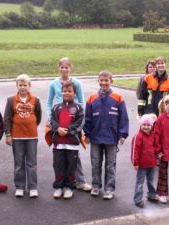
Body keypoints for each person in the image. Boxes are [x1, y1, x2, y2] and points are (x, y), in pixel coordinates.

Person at [46, 57, 92, 192]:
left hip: (73, 121)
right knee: (60, 155)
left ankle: (79, 181)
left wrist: (78, 118)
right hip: (58, 122)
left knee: (74, 154)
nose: (64, 69)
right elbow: (49, 103)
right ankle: (63, 183)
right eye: (62, 67)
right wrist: (51, 118)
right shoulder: (53, 84)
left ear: (70, 67)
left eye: (67, 67)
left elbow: (82, 102)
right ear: (58, 67)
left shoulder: (76, 82)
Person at [84, 71, 129, 200]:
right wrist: (87, 134)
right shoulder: (92, 98)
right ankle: (96, 186)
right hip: (95, 137)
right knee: (95, 163)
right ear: (98, 81)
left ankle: (109, 189)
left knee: (110, 165)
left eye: (106, 80)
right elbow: (87, 118)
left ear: (111, 81)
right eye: (101, 80)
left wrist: (122, 134)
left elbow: (123, 118)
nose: (104, 83)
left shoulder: (118, 98)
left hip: (111, 138)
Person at [4, 74, 42, 198]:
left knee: (32, 163)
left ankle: (33, 187)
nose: (23, 87)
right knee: (19, 163)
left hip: (31, 137)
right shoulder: (11, 100)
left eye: (25, 85)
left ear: (29, 86)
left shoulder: (35, 100)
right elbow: (7, 118)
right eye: (20, 85)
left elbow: (38, 116)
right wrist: (8, 135)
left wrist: (30, 125)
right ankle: (20, 186)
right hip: (17, 137)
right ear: (17, 86)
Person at [50, 81, 84, 199]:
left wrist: (68, 130)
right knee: (58, 166)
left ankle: (69, 187)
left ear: (74, 93)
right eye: (65, 91)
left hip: (72, 144)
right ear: (61, 92)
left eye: (70, 91)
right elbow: (52, 121)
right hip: (58, 143)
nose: (67, 93)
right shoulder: (56, 107)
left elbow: (79, 123)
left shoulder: (78, 108)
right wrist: (58, 128)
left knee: (71, 167)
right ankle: (59, 187)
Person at [131, 115, 158, 208]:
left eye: (148, 125)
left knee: (151, 181)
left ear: (151, 126)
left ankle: (151, 194)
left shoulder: (153, 135)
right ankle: (138, 199)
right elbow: (135, 150)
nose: (146, 127)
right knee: (140, 182)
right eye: (144, 124)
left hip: (151, 163)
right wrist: (135, 163)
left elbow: (156, 146)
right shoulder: (138, 136)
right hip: (141, 165)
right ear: (140, 125)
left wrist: (158, 155)